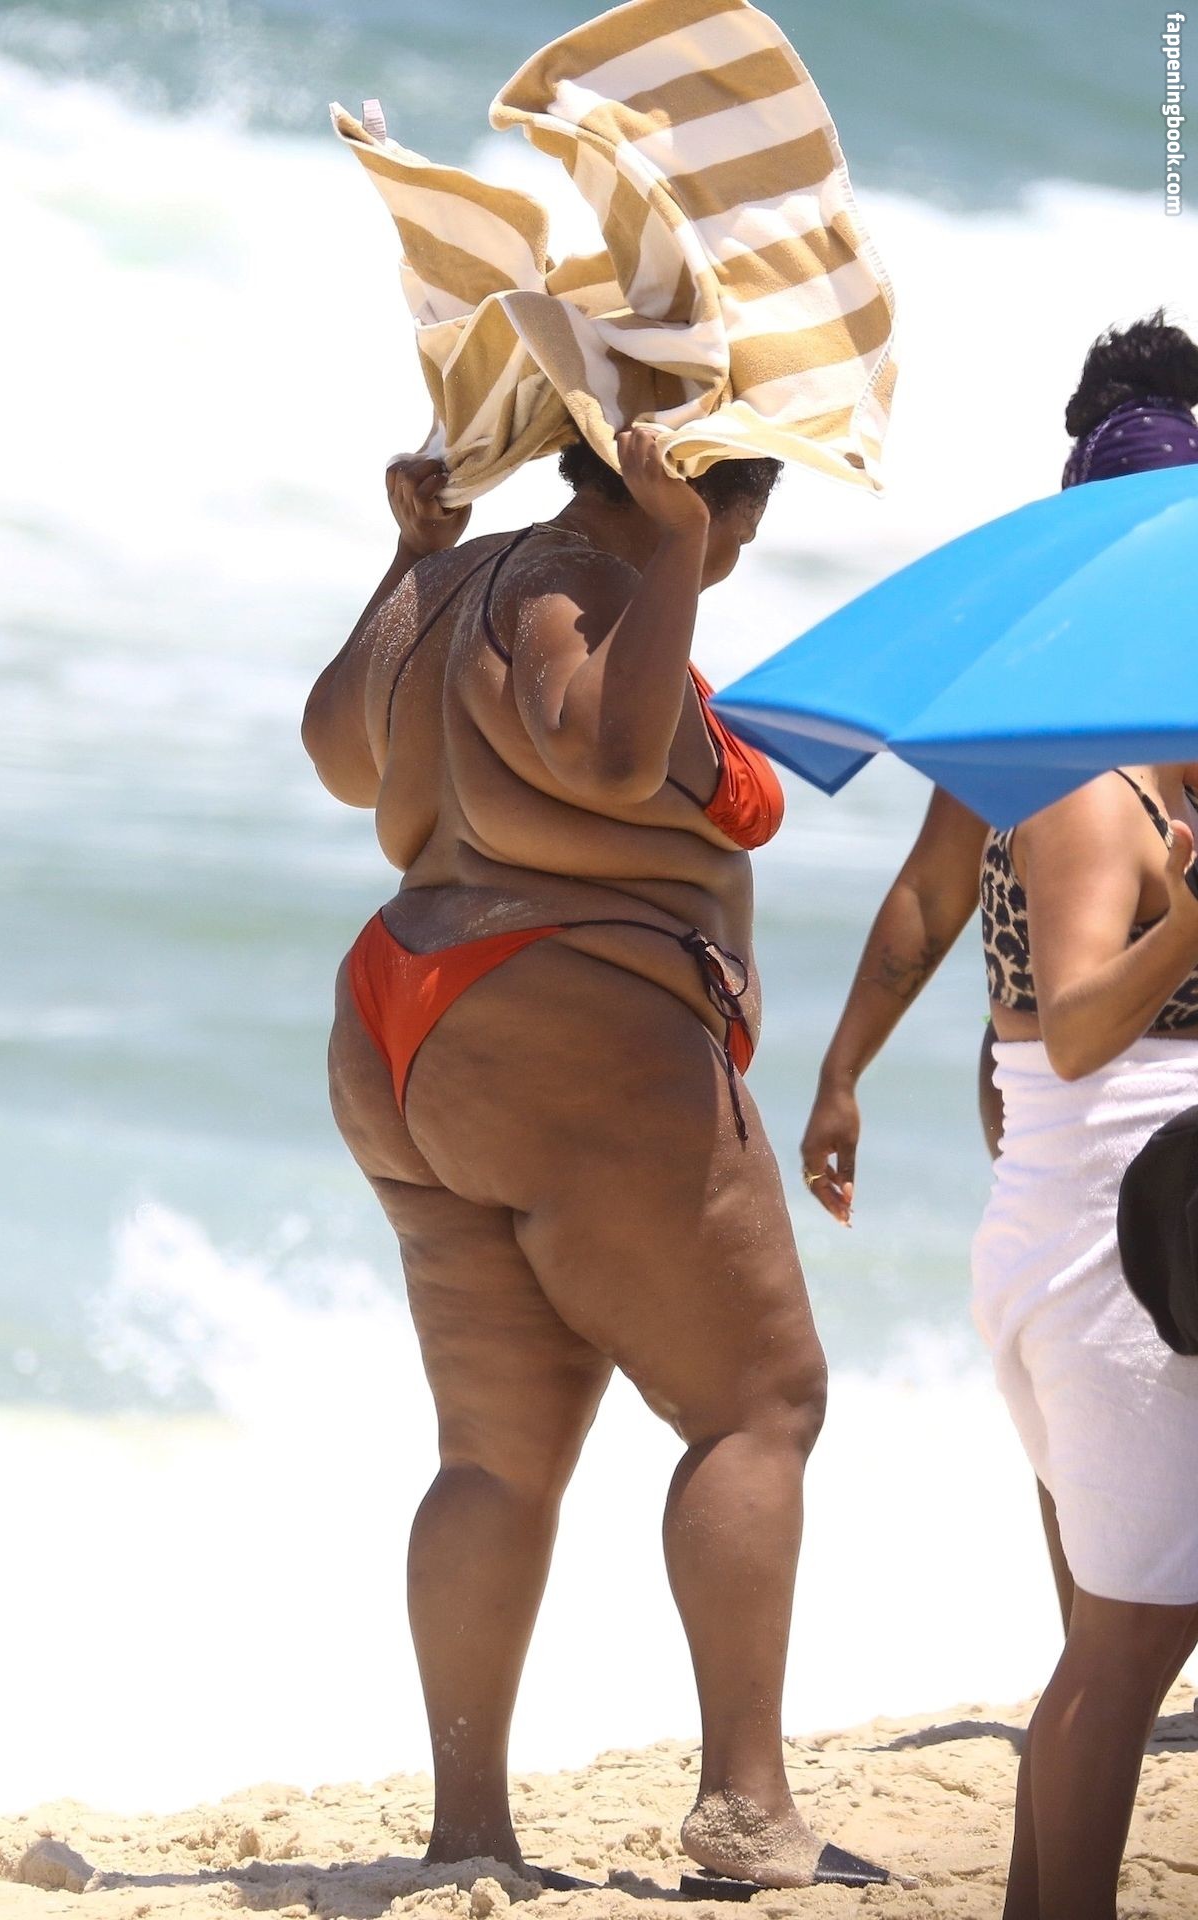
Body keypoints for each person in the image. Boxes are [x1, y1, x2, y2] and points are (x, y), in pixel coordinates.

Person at [301, 427, 893, 1893]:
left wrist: (411, 555)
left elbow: (337, 754)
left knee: (493, 1454)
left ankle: (469, 1833)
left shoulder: (466, 582)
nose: (740, 542)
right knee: (758, 1404)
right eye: (742, 512)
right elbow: (613, 757)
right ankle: (746, 1808)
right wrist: (676, 544)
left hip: (407, 1018)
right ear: (714, 487)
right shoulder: (589, 585)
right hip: (564, 1021)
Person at [799, 311, 1198, 1635]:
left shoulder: (1031, 675)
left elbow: (927, 897)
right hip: (1115, 1079)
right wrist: (841, 1073)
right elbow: (926, 901)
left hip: (1036, 1100)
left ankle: (1098, 1631)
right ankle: (1110, 1641)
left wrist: (843, 1073)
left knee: (1092, 1369)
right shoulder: (1137, 657)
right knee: (1117, 1365)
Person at [974, 761, 1198, 1920]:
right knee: (1130, 1636)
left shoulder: (1157, 799)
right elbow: (1066, 1033)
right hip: (1113, 1250)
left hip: (1128, 1234)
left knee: (1132, 1628)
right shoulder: (1093, 797)